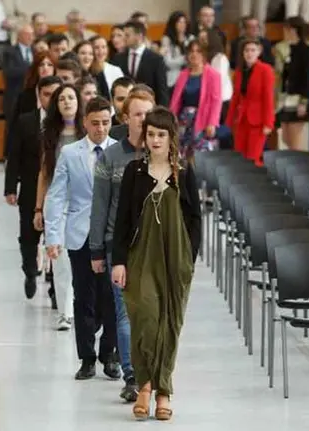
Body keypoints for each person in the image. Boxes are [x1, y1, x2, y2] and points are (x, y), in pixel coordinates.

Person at [111, 106, 201, 421]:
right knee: (145, 316)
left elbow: (195, 218)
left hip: (176, 258)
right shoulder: (134, 173)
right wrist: (118, 261)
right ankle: (146, 383)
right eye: (151, 134)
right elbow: (121, 220)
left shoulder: (185, 171)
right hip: (141, 256)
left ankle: (162, 391)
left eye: (161, 134)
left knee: (171, 322)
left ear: (171, 137)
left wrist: (190, 259)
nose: (155, 140)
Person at [44, 97, 119, 380]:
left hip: (111, 236)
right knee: (83, 297)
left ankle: (109, 354)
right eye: (95, 123)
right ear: (85, 122)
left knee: (111, 298)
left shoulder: (119, 152)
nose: (100, 128)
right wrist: (53, 236)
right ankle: (86, 357)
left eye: (106, 122)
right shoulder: (70, 153)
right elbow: (57, 195)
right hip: (80, 234)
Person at [89, 89, 155, 403]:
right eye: (138, 114)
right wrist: (97, 250)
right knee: (125, 313)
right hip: (121, 246)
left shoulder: (161, 153)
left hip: (154, 246)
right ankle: (132, 376)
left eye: (148, 113)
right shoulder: (111, 157)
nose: (144, 120)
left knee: (152, 315)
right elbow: (100, 206)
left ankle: (152, 374)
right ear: (125, 118)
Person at [5, 76, 62, 298]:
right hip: (30, 187)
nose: (52, 99)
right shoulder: (25, 121)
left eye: (55, 94)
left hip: (58, 190)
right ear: (39, 95)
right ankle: (30, 271)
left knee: (55, 236)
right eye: (47, 94)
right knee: (28, 235)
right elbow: (15, 155)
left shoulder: (68, 125)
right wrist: (10, 187)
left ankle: (55, 283)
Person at [33, 83, 85, 330]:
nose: (66, 102)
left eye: (71, 97)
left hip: (83, 200)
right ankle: (65, 312)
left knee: (81, 259)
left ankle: (80, 308)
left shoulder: (88, 131)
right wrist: (38, 208)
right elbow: (44, 173)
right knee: (60, 258)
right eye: (62, 98)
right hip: (58, 200)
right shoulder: (50, 134)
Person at [168, 40, 222, 159]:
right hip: (184, 122)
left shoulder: (213, 75)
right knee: (181, 157)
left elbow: (216, 102)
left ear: (204, 54)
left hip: (203, 120)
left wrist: (212, 123)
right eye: (191, 51)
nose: (194, 54)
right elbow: (176, 100)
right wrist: (171, 119)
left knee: (200, 157)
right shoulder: (183, 74)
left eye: (198, 51)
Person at [226, 38, 275, 166]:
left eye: (253, 50)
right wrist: (230, 121)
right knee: (239, 159)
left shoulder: (266, 70)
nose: (249, 53)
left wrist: (268, 123)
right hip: (241, 121)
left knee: (253, 158)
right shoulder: (238, 72)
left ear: (259, 52)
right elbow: (236, 98)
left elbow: (268, 98)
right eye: (247, 50)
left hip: (258, 122)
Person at [277, 17, 309, 152]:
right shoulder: (284, 48)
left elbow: (307, 77)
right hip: (285, 98)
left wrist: (304, 102)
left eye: (286, 29)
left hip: (298, 98)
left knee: (294, 141)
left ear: (293, 29)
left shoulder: (306, 50)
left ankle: (300, 168)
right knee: (285, 138)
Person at [111, 20, 169, 106]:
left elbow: (162, 91)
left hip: (149, 109)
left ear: (139, 36)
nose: (124, 38)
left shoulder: (156, 59)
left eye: (127, 35)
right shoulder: (117, 58)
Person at [3, 23, 35, 156]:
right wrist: (30, 68)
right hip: (14, 95)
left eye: (31, 35)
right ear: (19, 35)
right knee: (12, 126)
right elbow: (9, 72)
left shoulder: (35, 52)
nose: (30, 37)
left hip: (31, 95)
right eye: (27, 34)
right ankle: (9, 155)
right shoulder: (9, 52)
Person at [88, 35, 125, 102]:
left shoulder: (116, 70)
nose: (101, 51)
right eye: (96, 47)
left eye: (103, 47)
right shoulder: (88, 69)